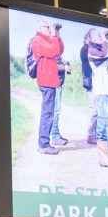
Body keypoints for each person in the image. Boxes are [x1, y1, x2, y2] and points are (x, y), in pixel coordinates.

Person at [30, 20, 64, 155]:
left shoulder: (48, 39)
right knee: (47, 113)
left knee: (49, 112)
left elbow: (60, 50)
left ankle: (45, 143)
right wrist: (54, 37)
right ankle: (43, 145)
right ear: (40, 28)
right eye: (48, 27)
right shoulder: (38, 39)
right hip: (46, 80)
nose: (50, 28)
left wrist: (57, 35)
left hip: (51, 80)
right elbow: (53, 50)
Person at [86, 29, 108, 168]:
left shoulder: (101, 48)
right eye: (98, 35)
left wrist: (107, 42)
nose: (101, 36)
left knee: (105, 122)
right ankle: (103, 158)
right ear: (90, 38)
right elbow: (105, 54)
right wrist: (106, 41)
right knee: (102, 123)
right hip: (102, 91)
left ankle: (104, 156)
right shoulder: (92, 50)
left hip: (107, 91)